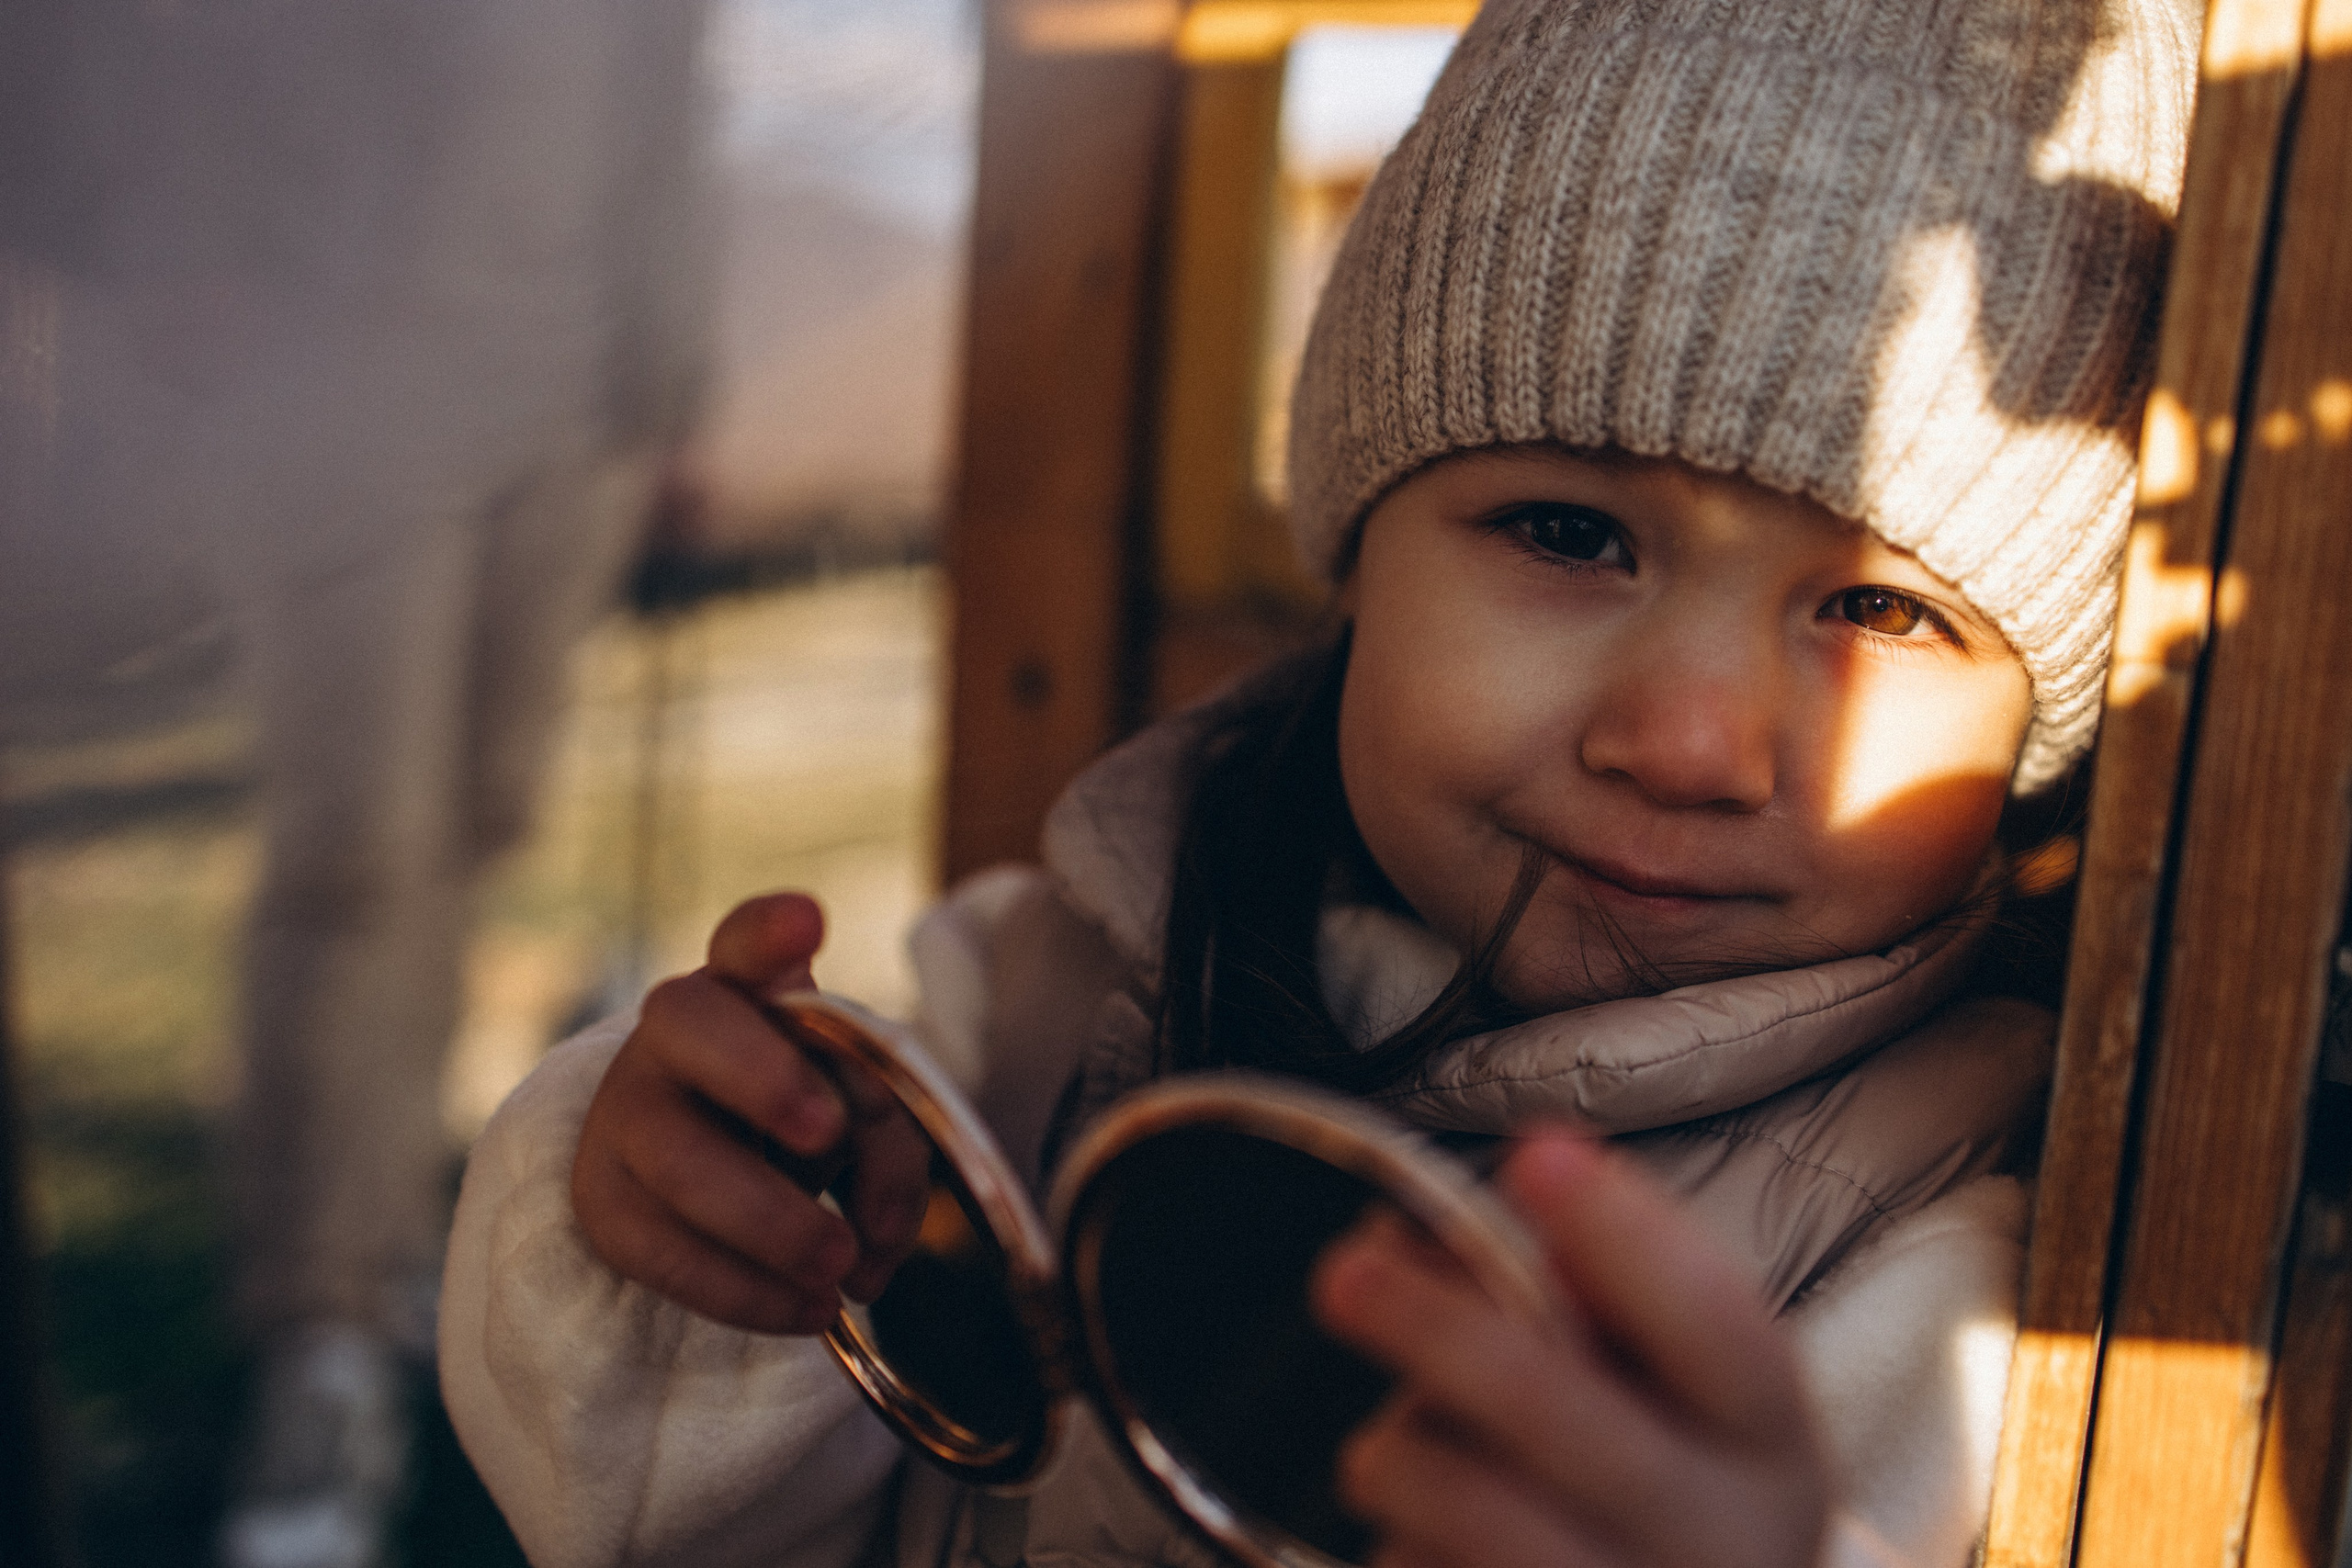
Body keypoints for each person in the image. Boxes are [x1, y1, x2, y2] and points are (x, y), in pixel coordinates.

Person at [437, 0, 2196, 1562]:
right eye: (1568, 532)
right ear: (1354, 559)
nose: (1684, 742)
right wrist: (677, 1244)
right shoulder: (1038, 998)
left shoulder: (1980, 1282)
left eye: (1884, 607)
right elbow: (666, 1512)